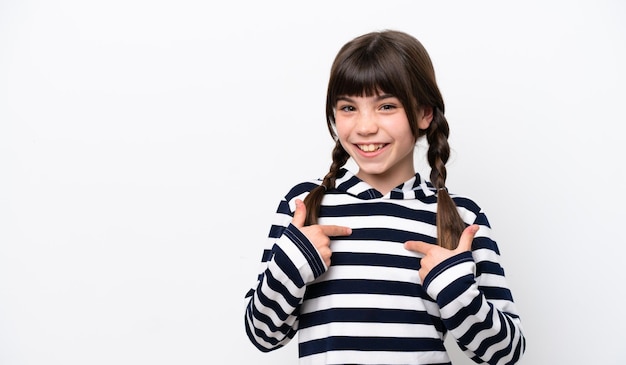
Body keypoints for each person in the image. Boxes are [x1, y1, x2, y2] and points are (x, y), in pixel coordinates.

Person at [244, 29, 526, 365]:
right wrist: (291, 266)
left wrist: (457, 290)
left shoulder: (462, 218)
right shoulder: (305, 205)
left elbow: (505, 353)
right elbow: (262, 334)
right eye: (349, 107)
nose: (364, 127)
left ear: (425, 113)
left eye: (386, 106)